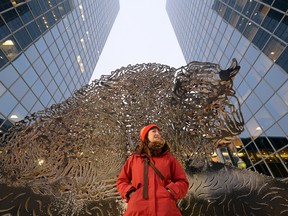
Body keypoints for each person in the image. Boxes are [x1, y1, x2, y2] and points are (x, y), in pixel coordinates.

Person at [117, 123, 189, 216]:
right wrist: (131, 193)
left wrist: (170, 192)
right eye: (153, 131)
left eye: (158, 132)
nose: (157, 134)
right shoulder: (134, 159)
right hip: (138, 209)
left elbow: (182, 181)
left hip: (165, 210)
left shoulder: (169, 159)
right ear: (145, 136)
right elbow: (121, 181)